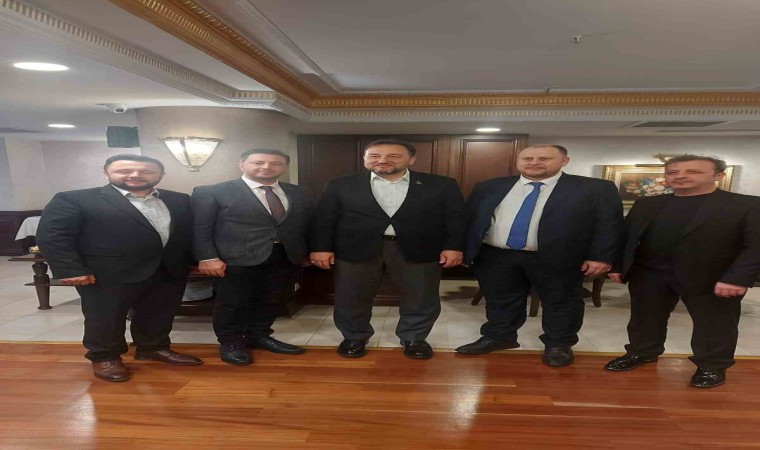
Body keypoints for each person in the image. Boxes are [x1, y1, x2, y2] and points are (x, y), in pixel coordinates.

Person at [36, 154, 202, 382]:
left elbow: (187, 233)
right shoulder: (75, 199)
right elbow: (54, 235)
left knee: (159, 312)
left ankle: (152, 348)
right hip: (106, 272)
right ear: (106, 173)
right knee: (106, 316)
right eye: (125, 171)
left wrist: (194, 261)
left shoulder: (179, 199)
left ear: (161, 175)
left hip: (167, 269)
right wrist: (70, 269)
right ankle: (105, 356)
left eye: (146, 171)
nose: (135, 175)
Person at [456, 144, 623, 367]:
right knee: (500, 300)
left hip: (560, 256)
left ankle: (558, 344)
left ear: (564, 161)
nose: (534, 162)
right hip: (497, 256)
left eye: (544, 158)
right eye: (528, 158)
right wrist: (464, 249)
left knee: (561, 301)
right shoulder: (490, 186)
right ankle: (499, 336)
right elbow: (470, 218)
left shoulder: (594, 188)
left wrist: (601, 256)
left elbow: (609, 224)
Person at [604, 155, 760, 388]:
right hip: (649, 273)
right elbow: (627, 237)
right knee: (644, 318)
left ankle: (711, 365)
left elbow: (755, 246)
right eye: (673, 172)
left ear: (718, 175)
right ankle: (642, 352)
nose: (680, 176)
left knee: (714, 323)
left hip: (713, 277)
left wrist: (737, 278)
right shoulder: (648, 204)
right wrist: (618, 266)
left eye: (693, 171)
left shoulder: (746, 204)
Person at [310, 139, 464, 359]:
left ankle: (414, 338)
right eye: (374, 156)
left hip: (419, 248)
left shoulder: (441, 184)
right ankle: (354, 337)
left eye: (393, 156)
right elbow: (325, 219)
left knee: (421, 296)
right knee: (351, 296)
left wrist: (453, 247)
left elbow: (455, 218)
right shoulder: (340, 184)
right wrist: (321, 248)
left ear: (411, 159)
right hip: (354, 248)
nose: (382, 160)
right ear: (365, 159)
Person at [191, 149, 311, 365]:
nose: (267, 167)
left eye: (276, 163)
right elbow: (200, 227)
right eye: (259, 162)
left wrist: (307, 251)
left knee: (271, 299)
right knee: (232, 302)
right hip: (234, 258)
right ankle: (230, 342)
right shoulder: (213, 191)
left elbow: (304, 223)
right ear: (242, 165)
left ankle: (259, 335)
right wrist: (207, 257)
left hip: (284, 256)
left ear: (285, 167)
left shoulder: (299, 192)